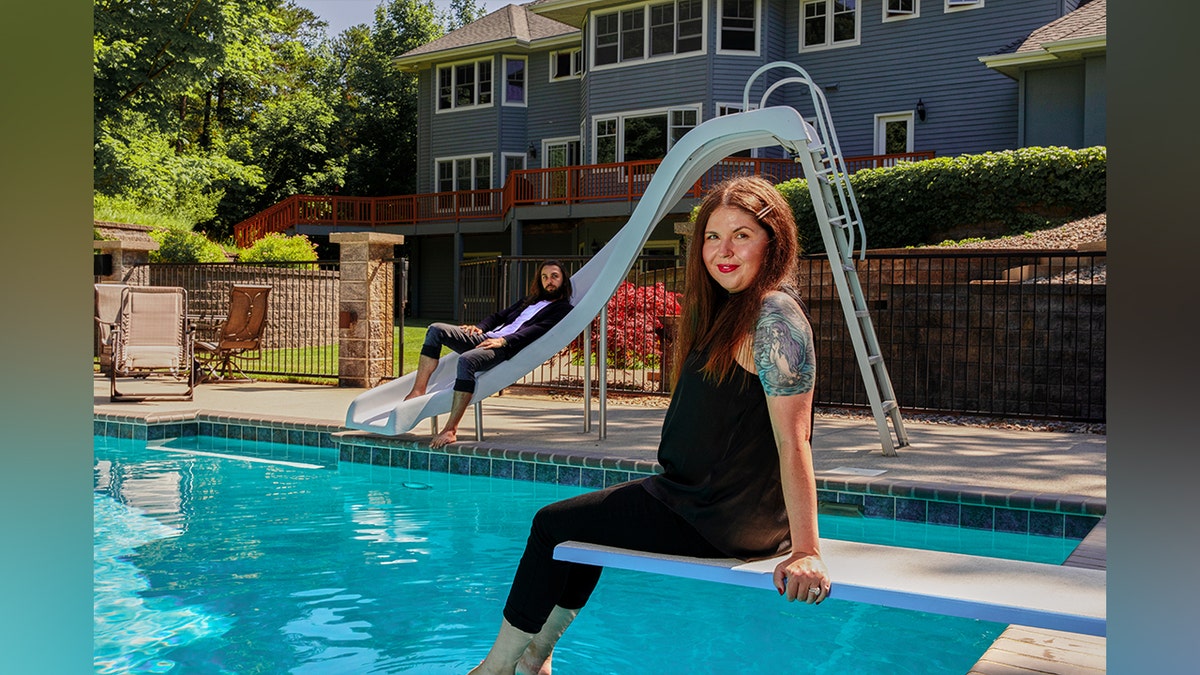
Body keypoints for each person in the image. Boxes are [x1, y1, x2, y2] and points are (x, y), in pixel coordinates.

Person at [467, 176, 830, 675]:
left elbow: (795, 441)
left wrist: (808, 549)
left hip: (714, 514)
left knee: (552, 524)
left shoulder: (773, 317)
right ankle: (536, 658)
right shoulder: (732, 310)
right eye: (712, 237)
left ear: (774, 241)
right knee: (582, 533)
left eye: (742, 235)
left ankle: (497, 669)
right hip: (697, 499)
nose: (723, 251)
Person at [406, 260, 573, 448]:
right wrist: (479, 328)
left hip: (506, 347)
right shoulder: (529, 300)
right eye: (544, 277)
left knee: (466, 361)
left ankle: (450, 430)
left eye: (554, 276)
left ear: (563, 280)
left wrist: (504, 341)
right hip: (488, 337)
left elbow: (538, 329)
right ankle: (418, 390)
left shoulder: (563, 308)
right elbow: (498, 317)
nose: (549, 281)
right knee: (435, 330)